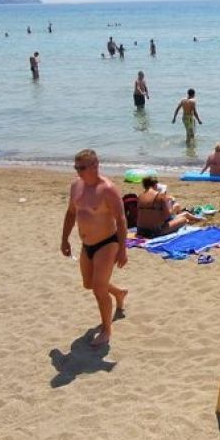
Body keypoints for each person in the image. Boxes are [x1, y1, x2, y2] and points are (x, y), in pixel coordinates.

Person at [59, 149, 128, 347]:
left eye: (82, 167)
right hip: (86, 244)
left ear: (95, 165)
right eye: (76, 167)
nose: (78, 171)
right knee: (89, 284)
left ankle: (107, 330)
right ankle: (118, 292)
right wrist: (64, 239)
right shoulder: (76, 186)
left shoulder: (107, 189)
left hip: (107, 243)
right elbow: (71, 213)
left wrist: (123, 249)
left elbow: (121, 220)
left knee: (98, 289)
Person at [134, 176, 202, 238]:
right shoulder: (160, 196)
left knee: (180, 216)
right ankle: (198, 219)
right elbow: (167, 215)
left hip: (140, 230)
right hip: (154, 232)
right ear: (155, 184)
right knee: (183, 219)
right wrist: (172, 207)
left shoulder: (140, 196)